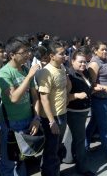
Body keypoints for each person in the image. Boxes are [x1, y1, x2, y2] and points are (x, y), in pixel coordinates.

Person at [0, 36, 41, 176]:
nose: (28, 54)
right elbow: (14, 98)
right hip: (11, 124)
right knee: (9, 161)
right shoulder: (4, 73)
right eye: (24, 52)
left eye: (29, 50)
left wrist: (36, 118)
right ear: (12, 55)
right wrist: (29, 77)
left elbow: (35, 97)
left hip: (28, 120)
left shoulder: (26, 69)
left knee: (23, 158)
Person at [36, 41, 68, 176]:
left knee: (55, 149)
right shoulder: (45, 72)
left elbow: (65, 88)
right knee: (51, 150)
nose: (65, 56)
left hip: (62, 113)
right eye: (61, 54)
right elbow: (44, 98)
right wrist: (51, 121)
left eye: (65, 53)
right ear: (51, 56)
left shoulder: (62, 68)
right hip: (52, 118)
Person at [66, 51, 96, 176]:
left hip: (83, 110)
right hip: (74, 111)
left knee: (74, 137)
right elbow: (64, 96)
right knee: (80, 139)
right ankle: (82, 168)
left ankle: (68, 158)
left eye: (85, 61)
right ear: (72, 61)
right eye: (80, 61)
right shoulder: (69, 75)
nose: (83, 64)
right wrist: (76, 95)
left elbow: (88, 88)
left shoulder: (85, 73)